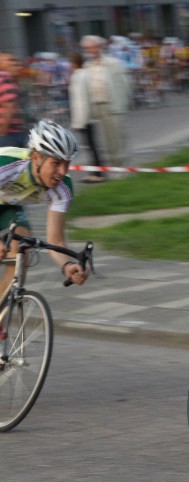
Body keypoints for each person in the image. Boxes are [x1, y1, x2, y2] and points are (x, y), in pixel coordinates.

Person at [0, 120, 90, 298]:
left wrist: (67, 265)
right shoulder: (7, 164)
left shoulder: (63, 188)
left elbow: (56, 240)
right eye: (56, 163)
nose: (62, 171)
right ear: (36, 158)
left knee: (22, 251)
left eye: (66, 163)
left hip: (8, 204)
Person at [69, 35, 130, 182]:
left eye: (94, 47)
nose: (91, 50)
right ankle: (109, 168)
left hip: (110, 104)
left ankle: (120, 167)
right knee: (103, 141)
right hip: (95, 107)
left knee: (115, 138)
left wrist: (122, 104)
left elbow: (124, 84)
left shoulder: (112, 63)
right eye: (88, 48)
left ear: (100, 47)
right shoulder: (87, 67)